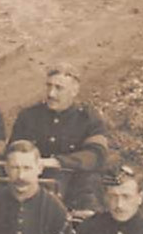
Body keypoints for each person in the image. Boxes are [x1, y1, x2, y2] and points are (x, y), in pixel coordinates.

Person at [7, 63, 112, 212]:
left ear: (74, 91)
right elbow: (13, 151)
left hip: (77, 191)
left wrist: (57, 162)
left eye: (59, 88)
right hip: (34, 188)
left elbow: (96, 155)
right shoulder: (29, 116)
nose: (51, 94)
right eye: (49, 86)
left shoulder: (88, 118)